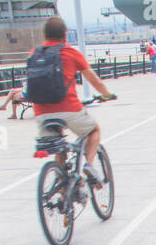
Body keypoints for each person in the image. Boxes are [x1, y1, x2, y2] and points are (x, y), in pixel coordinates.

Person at [29, 16, 115, 185]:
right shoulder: (71, 53)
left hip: (41, 113)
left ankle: (62, 196)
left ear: (45, 35)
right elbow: (94, 80)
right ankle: (89, 166)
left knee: (58, 147)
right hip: (69, 108)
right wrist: (107, 94)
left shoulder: (34, 54)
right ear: (65, 35)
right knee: (94, 131)